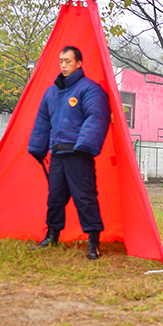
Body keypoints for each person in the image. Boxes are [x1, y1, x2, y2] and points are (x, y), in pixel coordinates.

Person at [28, 46, 111, 260]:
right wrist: (38, 148)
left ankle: (93, 243)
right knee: (55, 198)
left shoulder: (90, 89)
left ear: (78, 63)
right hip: (57, 154)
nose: (63, 65)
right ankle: (52, 236)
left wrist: (83, 145)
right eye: (61, 61)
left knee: (85, 198)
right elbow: (42, 121)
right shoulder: (51, 93)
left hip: (78, 154)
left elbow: (97, 115)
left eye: (67, 61)